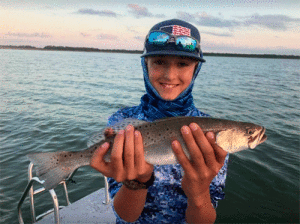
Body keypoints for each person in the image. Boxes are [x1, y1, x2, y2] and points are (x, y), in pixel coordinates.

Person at [91, 19, 229, 223]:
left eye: (182, 63)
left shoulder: (212, 131)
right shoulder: (121, 121)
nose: (169, 75)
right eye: (159, 62)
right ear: (145, 65)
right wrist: (137, 182)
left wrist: (199, 194)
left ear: (195, 69)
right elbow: (126, 215)